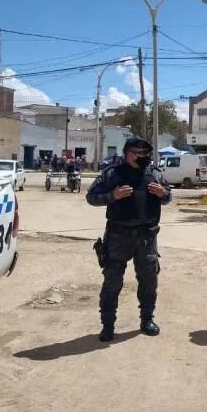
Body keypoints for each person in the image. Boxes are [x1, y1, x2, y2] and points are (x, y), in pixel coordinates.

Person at [86, 138, 172, 342]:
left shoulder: (155, 174)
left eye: (148, 155)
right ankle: (108, 326)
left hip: (146, 237)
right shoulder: (112, 174)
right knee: (112, 282)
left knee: (149, 281)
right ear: (130, 154)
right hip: (118, 236)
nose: (147, 158)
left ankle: (147, 320)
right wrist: (112, 196)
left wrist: (163, 193)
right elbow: (91, 197)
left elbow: (168, 197)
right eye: (143, 155)